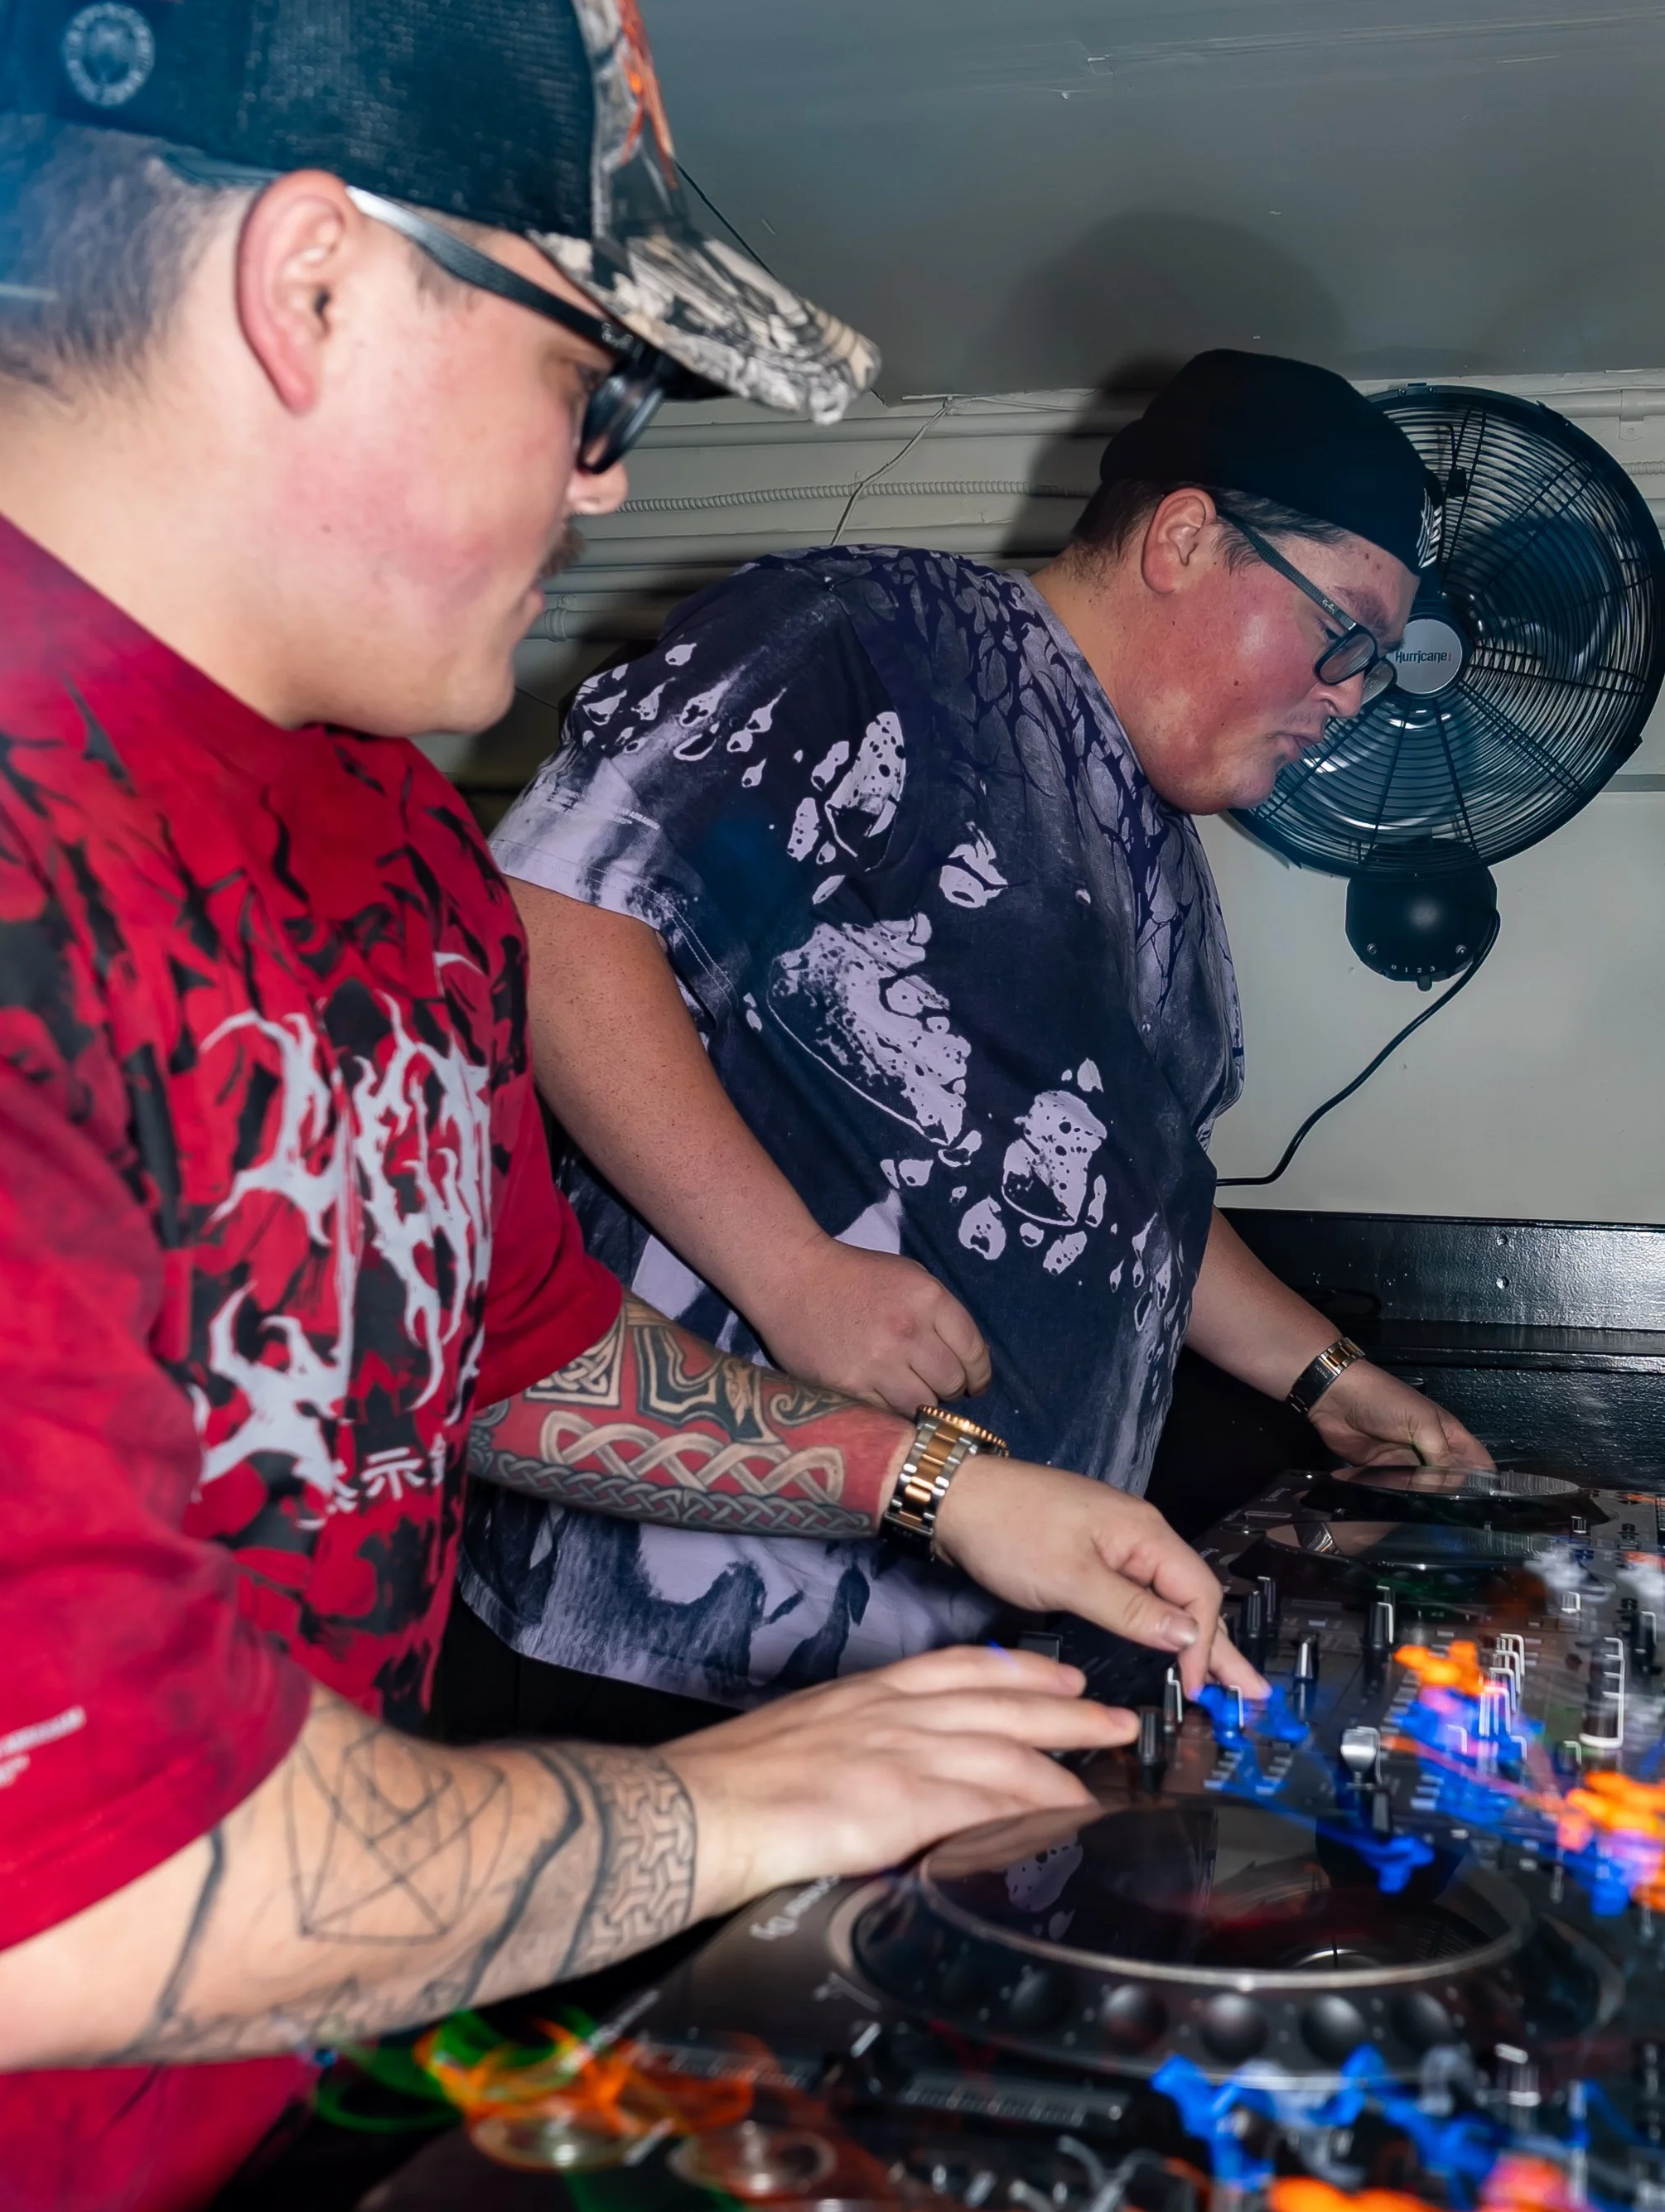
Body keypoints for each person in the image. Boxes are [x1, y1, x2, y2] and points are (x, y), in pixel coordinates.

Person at [0, 0, 1259, 2212]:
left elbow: (528, 1362)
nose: (611, 480)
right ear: (316, 283)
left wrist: (957, 1493)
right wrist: (772, 1794)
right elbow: (71, 1923)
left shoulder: (385, 826)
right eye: (595, 382)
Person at [457, 349, 1494, 1732]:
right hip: (673, 1643)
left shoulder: (1168, 860)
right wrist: (794, 1273)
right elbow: (556, 909)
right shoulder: (859, 637)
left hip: (966, 1670)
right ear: (1187, 539)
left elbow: (1139, 1212)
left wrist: (1331, 1379)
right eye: (1348, 633)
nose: (1359, 694)